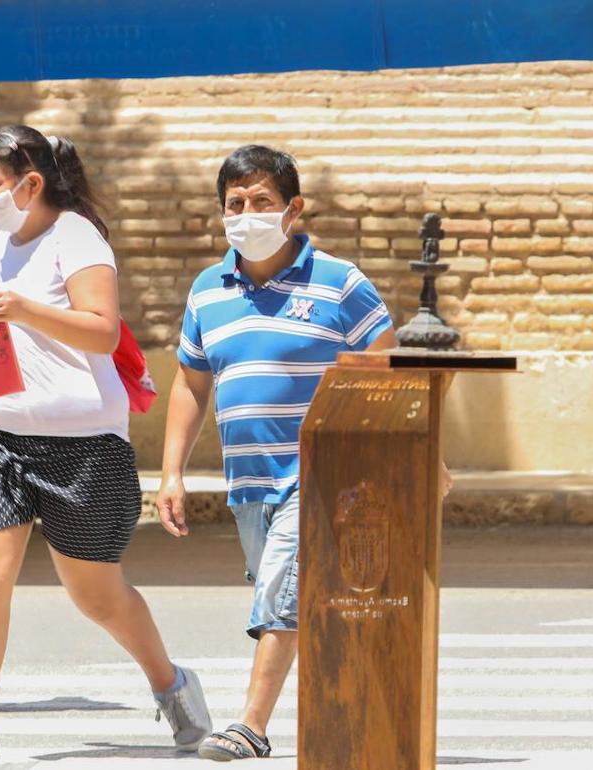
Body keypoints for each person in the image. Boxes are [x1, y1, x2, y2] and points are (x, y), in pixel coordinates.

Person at [0, 124, 211, 763]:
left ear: (31, 184)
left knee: (96, 596)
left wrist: (22, 309)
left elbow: (102, 331)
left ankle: (171, 682)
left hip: (83, 446)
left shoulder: (75, 236)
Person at [158, 145, 417, 760]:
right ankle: (367, 716)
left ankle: (251, 725)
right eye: (235, 204)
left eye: (261, 202)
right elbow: (191, 384)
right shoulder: (207, 291)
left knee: (281, 592)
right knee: (304, 602)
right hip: (249, 483)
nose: (246, 215)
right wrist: (171, 472)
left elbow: (391, 372)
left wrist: (421, 455)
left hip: (327, 473)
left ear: (293, 209)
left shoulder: (340, 283)